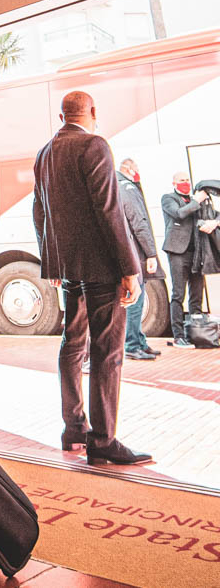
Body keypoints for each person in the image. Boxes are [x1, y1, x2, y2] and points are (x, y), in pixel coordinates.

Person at [33, 91, 152, 466]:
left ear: (61, 116)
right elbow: (108, 210)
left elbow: (40, 211)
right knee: (107, 351)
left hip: (70, 268)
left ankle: (74, 430)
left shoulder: (44, 153)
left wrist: (53, 263)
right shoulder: (94, 145)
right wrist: (129, 268)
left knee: (73, 344)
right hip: (101, 267)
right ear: (93, 112)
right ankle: (102, 440)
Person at [116, 159, 163, 360]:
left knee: (138, 298)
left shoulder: (117, 185)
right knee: (136, 300)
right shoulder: (127, 187)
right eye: (136, 168)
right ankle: (132, 345)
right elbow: (139, 221)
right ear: (128, 169)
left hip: (131, 250)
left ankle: (139, 341)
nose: (137, 172)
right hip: (136, 252)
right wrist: (151, 253)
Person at [162, 172, 211, 347]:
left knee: (196, 294)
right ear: (174, 182)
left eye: (187, 180)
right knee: (178, 294)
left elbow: (210, 216)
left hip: (196, 253)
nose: (186, 183)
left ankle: (196, 333)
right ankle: (178, 336)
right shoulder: (168, 198)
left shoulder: (194, 199)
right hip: (177, 252)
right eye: (182, 180)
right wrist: (196, 201)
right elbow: (179, 214)